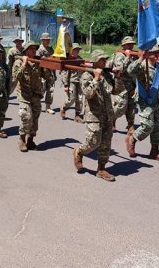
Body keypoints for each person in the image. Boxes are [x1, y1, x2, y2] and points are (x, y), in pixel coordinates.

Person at [73, 49, 117, 182]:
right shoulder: (87, 76)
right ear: (95, 61)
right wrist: (96, 78)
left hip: (107, 114)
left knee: (106, 143)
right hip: (94, 114)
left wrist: (118, 78)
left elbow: (115, 90)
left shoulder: (107, 75)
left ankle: (101, 169)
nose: (105, 61)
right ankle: (79, 151)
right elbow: (88, 94)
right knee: (93, 141)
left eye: (105, 59)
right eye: (102, 59)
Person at [125, 45, 159, 162]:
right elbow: (130, 71)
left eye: (158, 52)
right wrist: (140, 59)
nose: (156, 54)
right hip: (144, 100)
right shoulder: (142, 66)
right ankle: (132, 139)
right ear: (147, 54)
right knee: (147, 126)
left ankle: (154, 151)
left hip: (157, 100)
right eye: (153, 52)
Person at [12, 41, 52, 152]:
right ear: (26, 50)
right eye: (31, 48)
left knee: (35, 119)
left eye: (35, 48)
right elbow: (16, 77)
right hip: (24, 94)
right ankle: (22, 138)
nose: (34, 50)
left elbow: (47, 76)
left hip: (36, 94)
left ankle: (30, 139)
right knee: (26, 117)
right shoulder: (19, 62)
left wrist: (45, 65)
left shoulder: (37, 61)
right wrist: (24, 64)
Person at [111, 36, 137, 135]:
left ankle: (130, 125)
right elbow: (120, 69)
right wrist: (127, 57)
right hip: (121, 86)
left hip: (132, 85)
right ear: (123, 45)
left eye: (132, 44)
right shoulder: (119, 55)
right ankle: (112, 120)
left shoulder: (135, 55)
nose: (130, 46)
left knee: (131, 106)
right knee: (121, 106)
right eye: (128, 44)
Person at [59, 43, 84, 122]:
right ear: (71, 50)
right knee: (72, 99)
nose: (76, 51)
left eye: (77, 50)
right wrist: (65, 84)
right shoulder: (68, 59)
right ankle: (64, 108)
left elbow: (84, 69)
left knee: (80, 98)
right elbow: (63, 72)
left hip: (80, 81)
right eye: (75, 50)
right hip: (71, 81)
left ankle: (77, 115)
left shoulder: (80, 59)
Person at [36, 32, 56, 114]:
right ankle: (36, 104)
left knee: (51, 90)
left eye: (48, 40)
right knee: (41, 90)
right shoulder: (39, 50)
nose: (48, 41)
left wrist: (54, 74)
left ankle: (48, 107)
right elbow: (37, 63)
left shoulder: (51, 49)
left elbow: (54, 62)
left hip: (50, 73)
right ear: (42, 40)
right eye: (46, 40)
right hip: (42, 73)